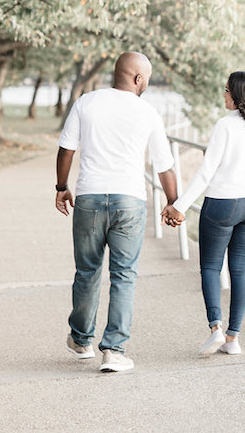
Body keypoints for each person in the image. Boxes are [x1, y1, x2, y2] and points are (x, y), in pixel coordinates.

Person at [56, 51, 181, 373]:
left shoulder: (86, 102)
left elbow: (66, 148)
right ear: (138, 78)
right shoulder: (148, 112)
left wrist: (61, 187)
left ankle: (81, 341)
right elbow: (164, 165)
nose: (147, 84)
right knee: (124, 276)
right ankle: (113, 351)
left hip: (89, 198)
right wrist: (173, 201)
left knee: (87, 271)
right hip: (129, 201)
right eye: (147, 79)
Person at [162, 71, 245, 356]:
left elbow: (206, 173)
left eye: (226, 89)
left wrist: (179, 206)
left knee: (212, 267)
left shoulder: (225, 126)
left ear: (237, 95)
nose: (223, 94)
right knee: (240, 270)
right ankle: (233, 338)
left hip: (223, 203)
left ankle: (216, 328)